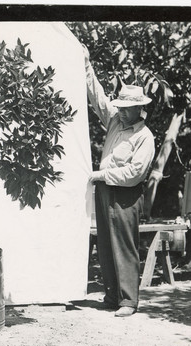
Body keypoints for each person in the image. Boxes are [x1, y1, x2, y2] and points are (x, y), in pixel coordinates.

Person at [83, 46, 156, 317]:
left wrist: (100, 175)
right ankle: (113, 295)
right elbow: (98, 98)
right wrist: (87, 65)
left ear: (140, 108)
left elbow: (135, 173)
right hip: (105, 190)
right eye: (121, 108)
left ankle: (128, 301)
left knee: (124, 244)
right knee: (105, 243)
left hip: (126, 194)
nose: (122, 112)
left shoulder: (144, 137)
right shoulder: (115, 121)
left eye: (128, 109)